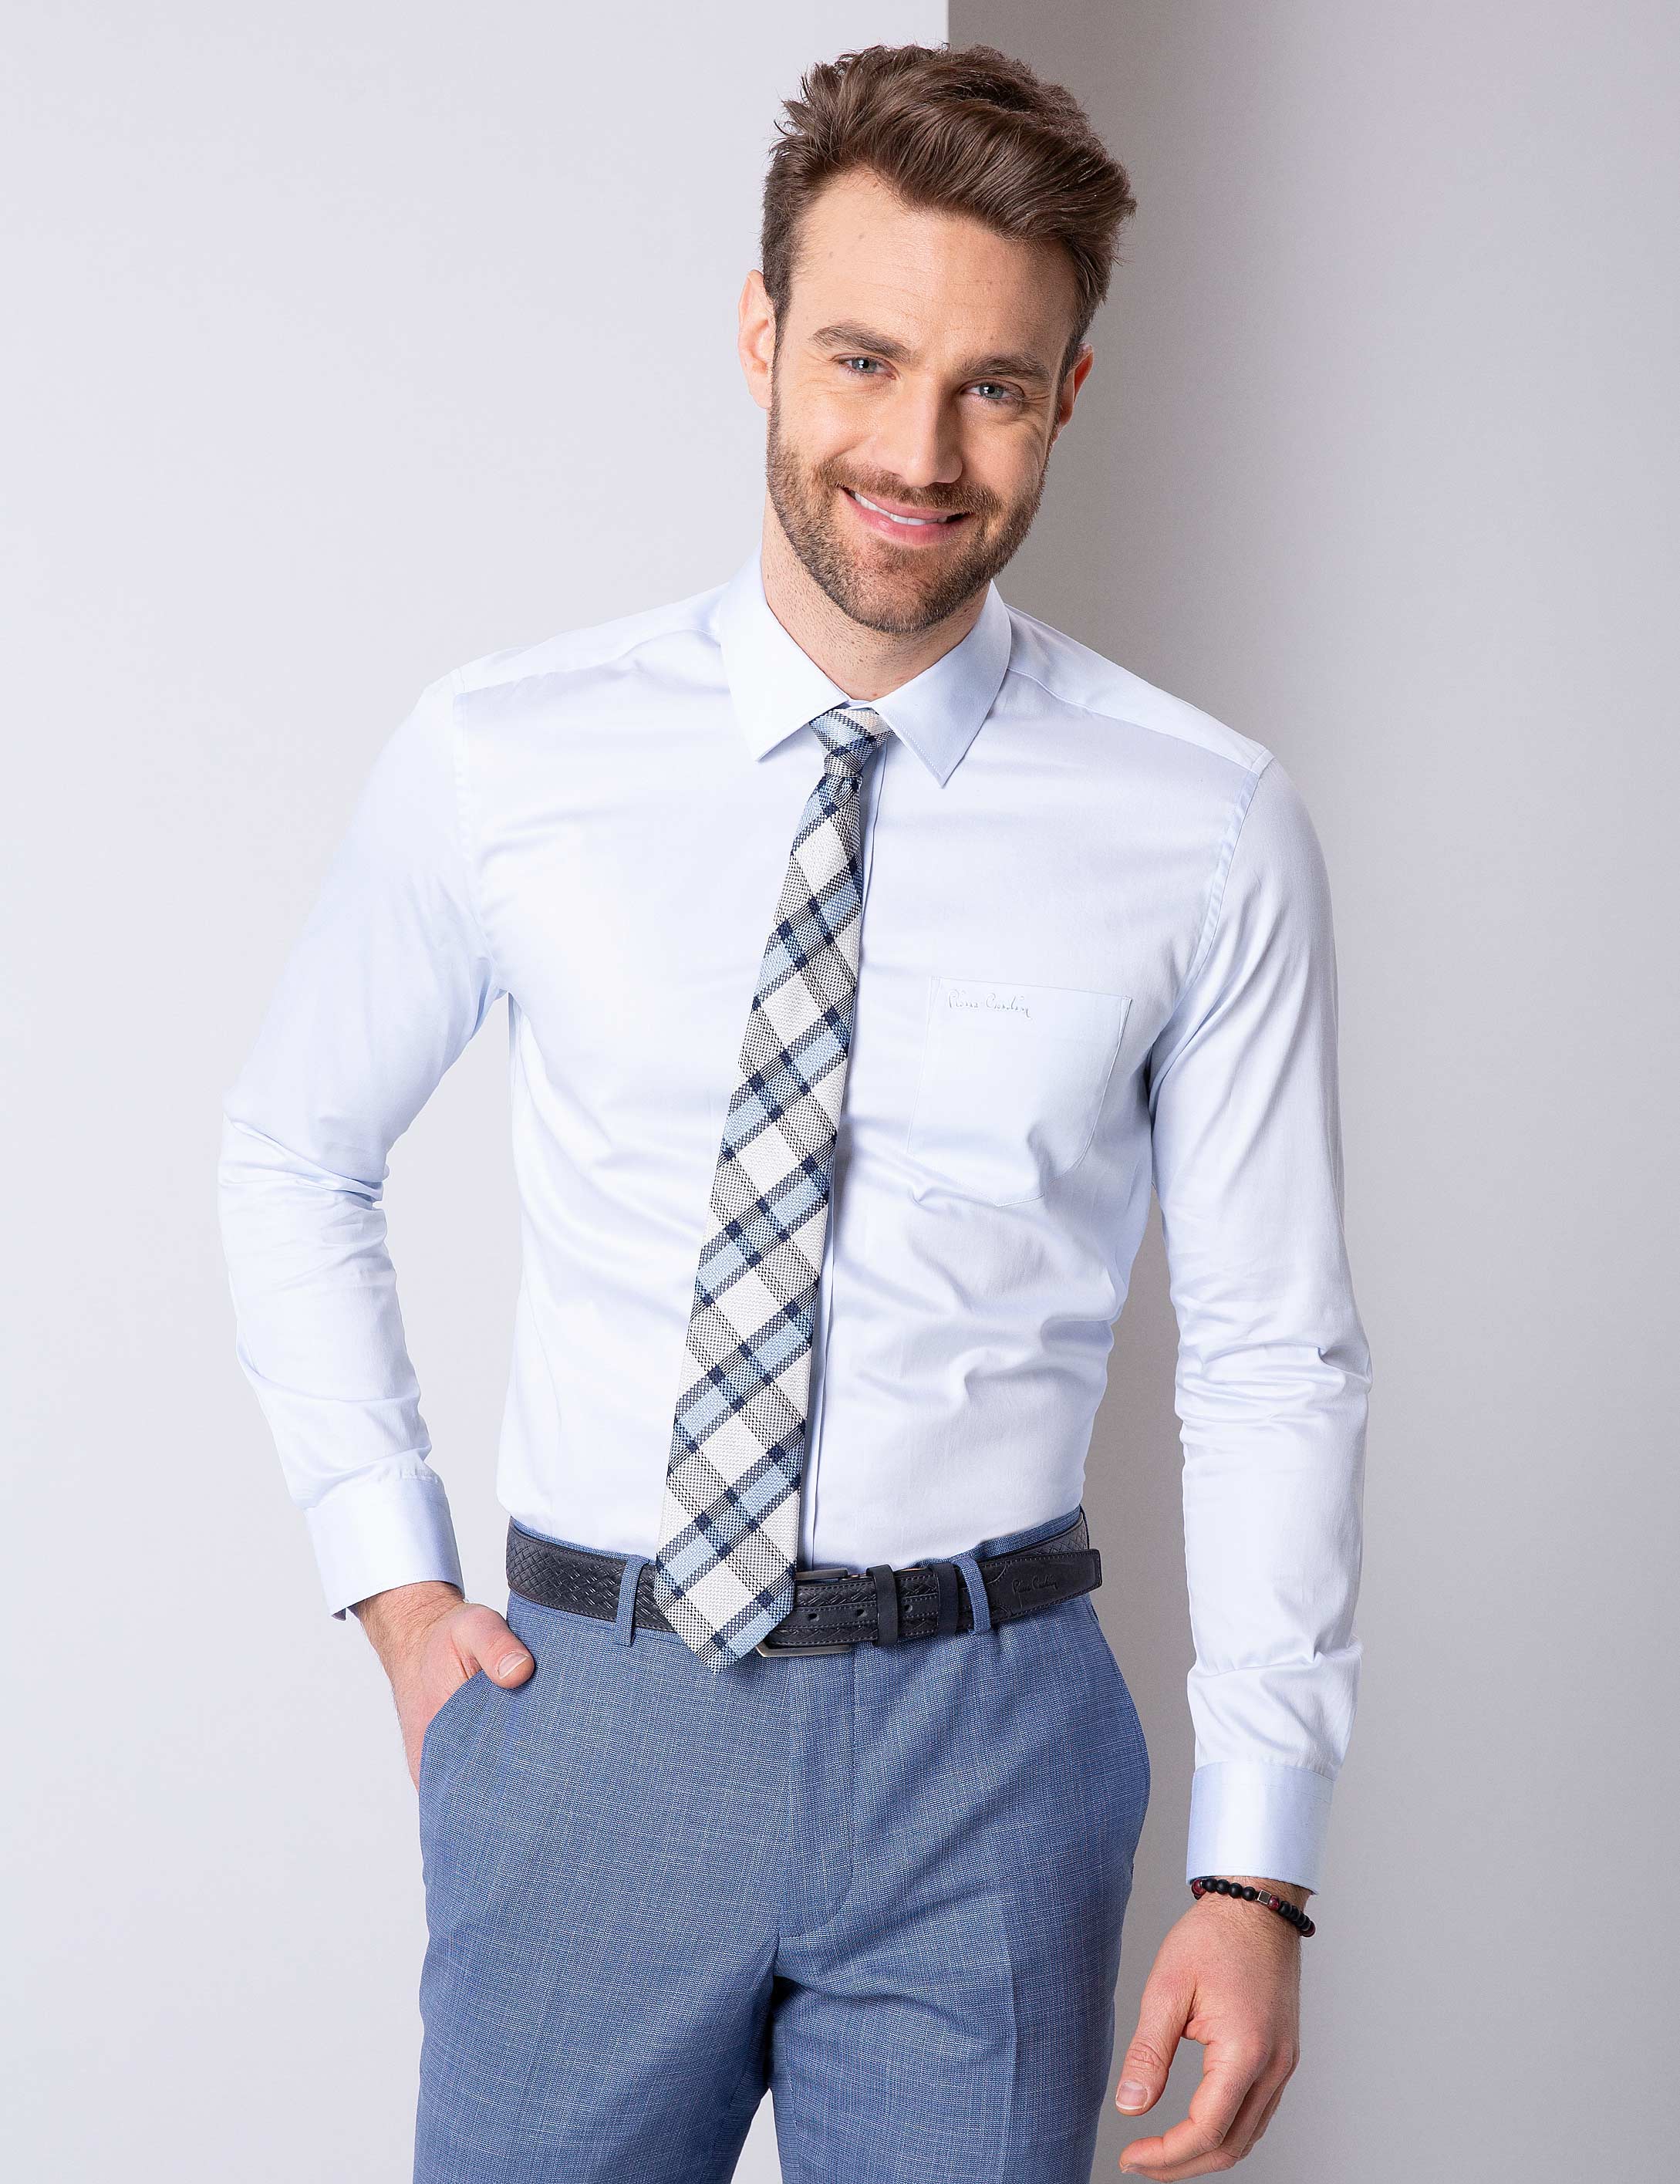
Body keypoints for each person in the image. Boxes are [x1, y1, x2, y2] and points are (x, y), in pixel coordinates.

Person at [218, 40, 1369, 2184]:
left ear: (1069, 394)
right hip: (588, 1722)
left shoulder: (1203, 825)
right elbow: (294, 1150)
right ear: (759, 334)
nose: (918, 453)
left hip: (988, 1749)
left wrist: (1256, 1868)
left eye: (994, 387)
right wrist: (391, 1586)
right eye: (862, 359)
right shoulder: (504, 755)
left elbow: (1270, 1351)